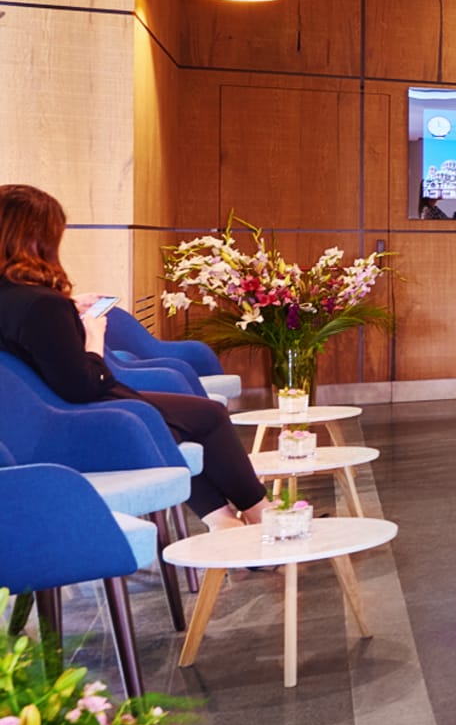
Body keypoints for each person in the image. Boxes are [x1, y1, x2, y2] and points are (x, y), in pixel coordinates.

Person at [0, 185, 267, 528]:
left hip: (31, 422)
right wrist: (93, 334)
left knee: (181, 420)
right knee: (208, 415)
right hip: (79, 415)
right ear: (39, 238)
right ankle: (260, 514)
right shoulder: (42, 304)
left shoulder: (22, 298)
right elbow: (83, 387)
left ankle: (223, 521)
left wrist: (68, 310)